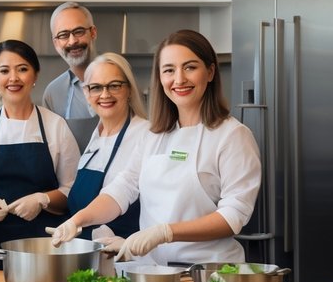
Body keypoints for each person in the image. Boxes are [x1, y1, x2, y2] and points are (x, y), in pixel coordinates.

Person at [49, 30, 261, 267]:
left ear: (210, 72)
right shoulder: (154, 135)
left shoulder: (232, 136)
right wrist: (78, 221)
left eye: (190, 67)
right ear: (160, 78)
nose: (179, 80)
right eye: (169, 70)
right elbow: (123, 188)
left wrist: (165, 233)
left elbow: (233, 216)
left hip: (209, 274)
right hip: (154, 273)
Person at [0, 40, 80, 268]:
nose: (13, 78)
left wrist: (42, 199)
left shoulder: (56, 127)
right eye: (4, 71)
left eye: (22, 69)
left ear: (35, 76)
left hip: (42, 248)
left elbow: (72, 191)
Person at [66, 52, 149, 240]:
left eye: (114, 86)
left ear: (129, 90)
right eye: (96, 87)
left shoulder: (147, 134)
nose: (105, 94)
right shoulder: (95, 137)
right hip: (84, 251)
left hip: (127, 256)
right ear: (86, 94)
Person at [42, 1, 99, 146]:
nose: (72, 41)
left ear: (93, 33)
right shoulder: (53, 93)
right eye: (63, 35)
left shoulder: (120, 80)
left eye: (79, 31)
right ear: (55, 43)